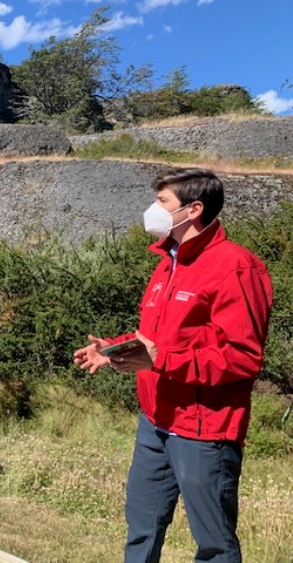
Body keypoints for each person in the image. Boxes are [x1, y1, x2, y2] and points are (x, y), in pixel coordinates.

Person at [73, 168, 273, 562]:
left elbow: (242, 357)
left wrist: (161, 359)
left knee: (214, 545)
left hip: (204, 430)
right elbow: (157, 341)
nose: (154, 209)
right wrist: (114, 350)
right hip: (155, 419)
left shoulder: (237, 267)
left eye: (163, 202)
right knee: (141, 530)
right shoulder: (168, 262)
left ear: (194, 209)